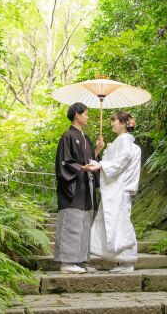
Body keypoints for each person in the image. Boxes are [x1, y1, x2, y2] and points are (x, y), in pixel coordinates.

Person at [53, 102, 104, 274]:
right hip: (73, 187)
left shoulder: (86, 138)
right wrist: (81, 168)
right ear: (77, 115)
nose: (87, 117)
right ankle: (66, 263)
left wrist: (96, 150)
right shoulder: (67, 136)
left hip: (86, 186)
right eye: (86, 114)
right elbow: (64, 162)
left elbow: (89, 160)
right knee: (72, 223)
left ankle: (80, 261)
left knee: (84, 223)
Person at [88, 111, 141, 272]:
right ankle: (124, 260)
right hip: (117, 189)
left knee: (121, 223)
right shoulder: (123, 141)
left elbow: (121, 161)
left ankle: (128, 261)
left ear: (124, 123)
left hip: (119, 188)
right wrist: (98, 151)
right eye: (111, 121)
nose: (112, 124)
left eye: (115, 121)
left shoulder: (124, 141)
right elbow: (115, 162)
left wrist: (102, 165)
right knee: (116, 223)